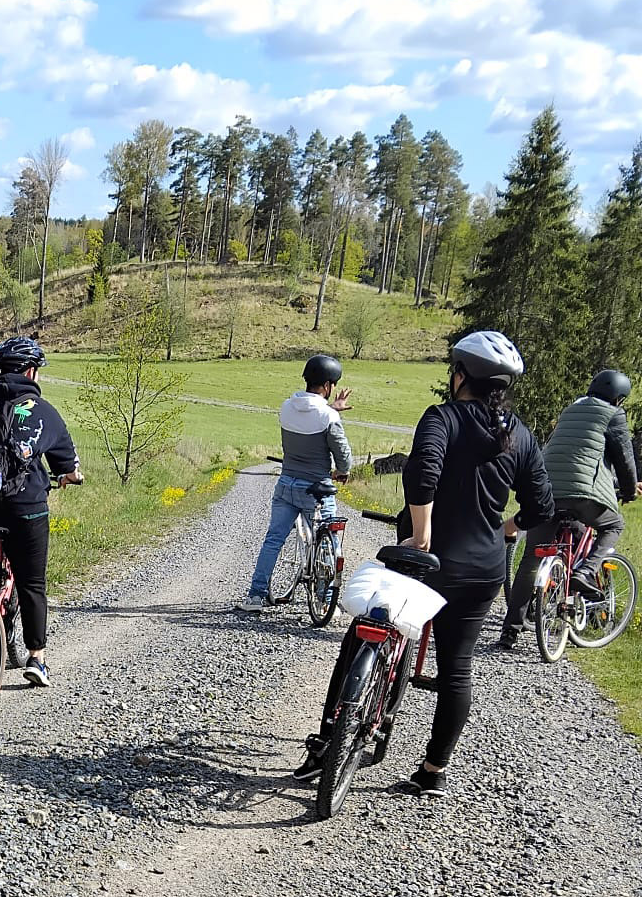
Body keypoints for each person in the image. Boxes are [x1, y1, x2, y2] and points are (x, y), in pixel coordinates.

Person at [296, 331, 553, 797]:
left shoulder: (443, 417)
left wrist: (421, 532)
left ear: (459, 376)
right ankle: (433, 771)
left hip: (427, 559)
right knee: (456, 667)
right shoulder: (520, 434)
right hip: (483, 570)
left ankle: (324, 744)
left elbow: (422, 472)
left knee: (361, 634)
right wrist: (506, 529)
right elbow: (541, 505)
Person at [0, 335, 83, 690]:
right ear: (32, 371)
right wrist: (71, 475)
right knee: (32, 583)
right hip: (24, 510)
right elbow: (66, 462)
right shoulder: (43, 411)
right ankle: (37, 658)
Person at [500, 368, 636, 643]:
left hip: (546, 492)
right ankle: (585, 572)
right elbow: (624, 458)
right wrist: (631, 490)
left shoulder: (571, 410)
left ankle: (510, 631)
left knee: (531, 559)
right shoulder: (613, 415)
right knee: (613, 525)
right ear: (619, 398)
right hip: (583, 494)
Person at [236, 354, 354, 612]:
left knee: (274, 539)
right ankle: (324, 598)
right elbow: (342, 454)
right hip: (316, 489)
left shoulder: (286, 407)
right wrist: (343, 471)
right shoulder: (329, 417)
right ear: (327, 386)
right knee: (330, 537)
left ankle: (255, 596)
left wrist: (331, 409)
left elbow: (309, 417)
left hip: (287, 484)